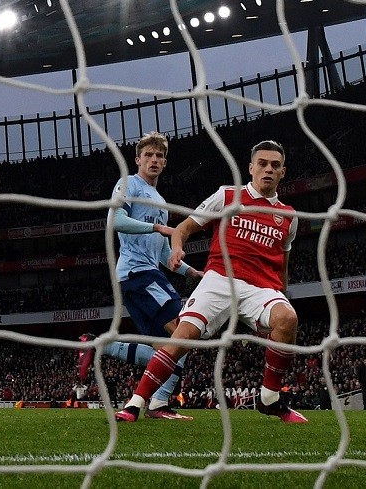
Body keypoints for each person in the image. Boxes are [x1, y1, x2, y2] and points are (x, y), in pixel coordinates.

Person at [115, 139, 306, 424]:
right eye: (263, 164)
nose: (268, 169)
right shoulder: (227, 196)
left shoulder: (288, 217)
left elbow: (283, 266)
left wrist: (281, 297)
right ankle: (136, 403)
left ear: (283, 172)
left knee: (288, 318)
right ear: (251, 168)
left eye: (275, 166)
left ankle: (270, 398)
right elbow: (184, 228)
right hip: (219, 281)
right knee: (182, 335)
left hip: (261, 288)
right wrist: (177, 247)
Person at [76, 132, 202, 420]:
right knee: (183, 334)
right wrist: (157, 229)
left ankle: (101, 347)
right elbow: (115, 220)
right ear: (138, 159)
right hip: (138, 274)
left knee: (168, 348)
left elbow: (160, 254)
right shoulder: (128, 184)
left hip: (148, 274)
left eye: (159, 156)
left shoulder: (160, 200)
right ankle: (156, 401)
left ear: (165, 162)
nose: (154, 160)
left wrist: (190, 271)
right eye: (148, 155)